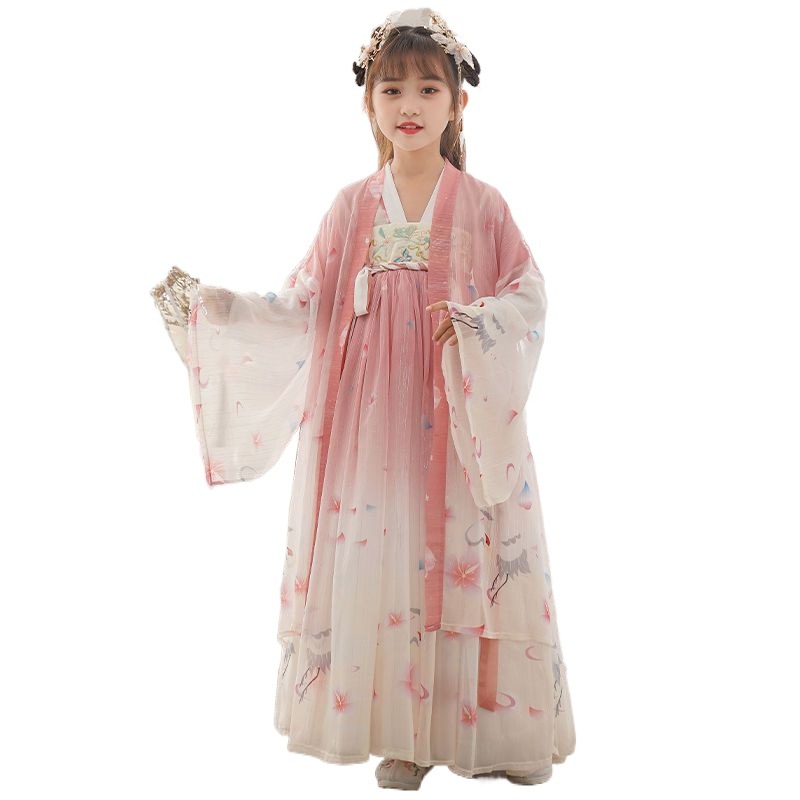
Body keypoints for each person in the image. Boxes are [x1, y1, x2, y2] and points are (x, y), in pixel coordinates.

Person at [151, 7, 576, 791]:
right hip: (370, 421)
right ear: (368, 102)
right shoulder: (351, 207)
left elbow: (531, 293)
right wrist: (221, 310)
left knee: (468, 555)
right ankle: (401, 735)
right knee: (386, 558)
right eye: (392, 89)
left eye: (427, 89)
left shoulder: (483, 206)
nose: (408, 105)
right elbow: (304, 302)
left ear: (458, 103)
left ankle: (489, 730)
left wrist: (478, 321)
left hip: (456, 413)